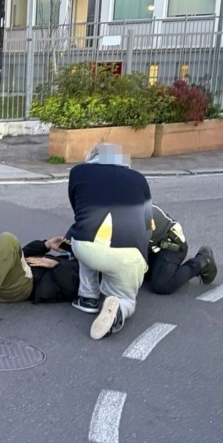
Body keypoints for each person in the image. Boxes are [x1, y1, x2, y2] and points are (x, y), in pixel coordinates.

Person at [67, 143, 152, 340]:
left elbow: (78, 210)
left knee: (83, 232)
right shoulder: (139, 179)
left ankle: (88, 297)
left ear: (92, 157)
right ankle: (119, 307)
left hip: (88, 247)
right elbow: (148, 224)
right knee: (128, 299)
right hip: (129, 252)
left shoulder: (78, 172)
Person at [146, 205, 216, 294]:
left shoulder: (140, 216)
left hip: (171, 245)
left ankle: (202, 261)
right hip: (151, 246)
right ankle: (156, 268)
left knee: (162, 285)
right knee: (136, 274)